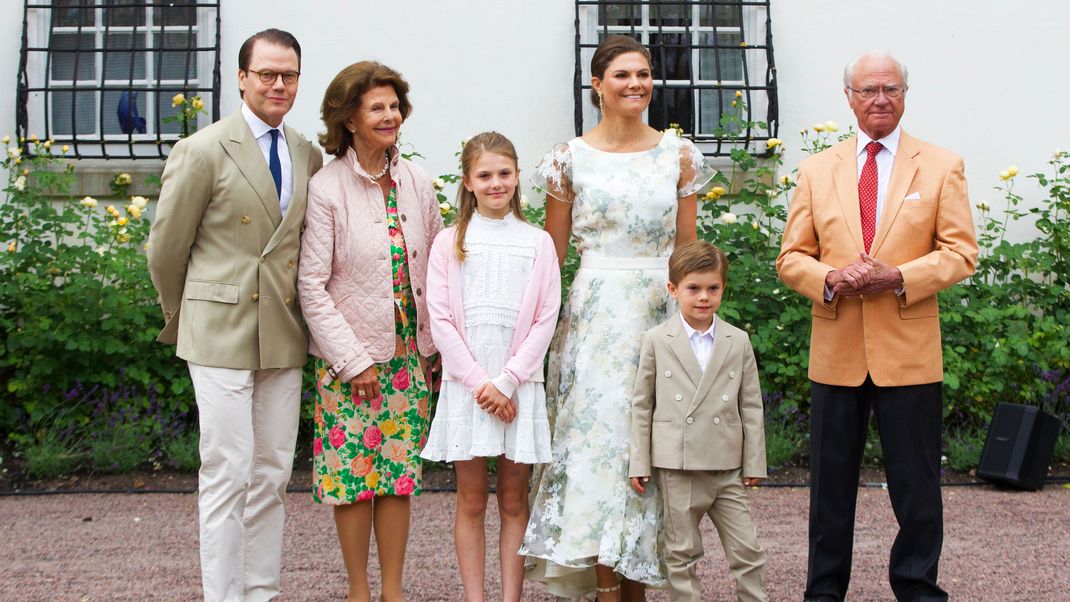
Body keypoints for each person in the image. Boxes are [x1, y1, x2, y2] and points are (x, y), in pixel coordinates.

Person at [777, 51, 978, 602]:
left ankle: (917, 589)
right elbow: (791, 257)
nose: (880, 99)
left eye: (890, 88)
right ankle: (823, 593)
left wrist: (898, 276)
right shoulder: (818, 169)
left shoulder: (940, 165)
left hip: (907, 350)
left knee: (917, 489)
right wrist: (832, 277)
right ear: (849, 98)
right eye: (868, 90)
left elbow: (961, 253)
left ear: (905, 93)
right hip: (836, 348)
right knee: (829, 491)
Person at [521, 35, 716, 601]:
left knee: (653, 447)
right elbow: (551, 259)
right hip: (595, 317)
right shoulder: (568, 159)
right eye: (624, 75)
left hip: (660, 310)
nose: (637, 83)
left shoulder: (679, 156)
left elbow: (688, 252)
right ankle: (606, 587)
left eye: (645, 73)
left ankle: (642, 582)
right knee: (600, 446)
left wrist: (696, 324)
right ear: (597, 86)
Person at [147, 28, 321, 602]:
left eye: (288, 75)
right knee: (227, 471)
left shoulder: (305, 152)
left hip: (281, 331)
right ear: (242, 77)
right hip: (218, 331)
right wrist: (192, 310)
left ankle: (261, 591)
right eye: (267, 73)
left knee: (272, 473)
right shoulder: (202, 150)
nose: (278, 84)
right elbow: (166, 250)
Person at [297, 61, 443, 602]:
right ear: (349, 119)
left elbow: (434, 268)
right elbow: (311, 285)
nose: (389, 116)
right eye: (376, 107)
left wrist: (435, 345)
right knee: (355, 480)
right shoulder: (326, 187)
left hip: (408, 357)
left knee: (399, 477)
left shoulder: (416, 181)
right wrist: (351, 360)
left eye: (394, 106)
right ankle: (359, 591)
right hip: (350, 361)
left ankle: (393, 592)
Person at [420, 132, 561, 602]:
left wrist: (508, 380)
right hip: (468, 387)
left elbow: (545, 317)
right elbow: (440, 319)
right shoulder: (449, 242)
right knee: (471, 498)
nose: (495, 182)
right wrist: (482, 383)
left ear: (518, 177)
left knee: (515, 499)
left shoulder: (538, 243)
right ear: (468, 181)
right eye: (485, 175)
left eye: (504, 173)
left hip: (519, 386)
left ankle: (510, 598)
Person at [628, 240, 768, 602]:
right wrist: (640, 461)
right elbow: (643, 404)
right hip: (680, 465)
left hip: (727, 467)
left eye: (713, 288)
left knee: (747, 551)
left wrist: (754, 461)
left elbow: (751, 404)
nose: (703, 297)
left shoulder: (738, 341)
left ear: (723, 288)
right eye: (693, 288)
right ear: (673, 290)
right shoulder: (657, 340)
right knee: (682, 554)